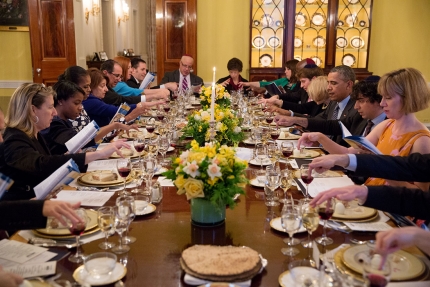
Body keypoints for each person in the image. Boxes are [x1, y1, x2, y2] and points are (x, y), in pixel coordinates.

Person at [299, 68, 430, 191]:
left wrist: (379, 165)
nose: (382, 103)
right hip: (370, 193)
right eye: (382, 97)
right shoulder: (386, 125)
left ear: (409, 98)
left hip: (391, 206)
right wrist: (321, 138)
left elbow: (420, 194)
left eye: (388, 98)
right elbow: (351, 152)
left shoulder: (421, 140)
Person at [0, 83, 130, 201]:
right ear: (33, 110)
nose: (55, 113)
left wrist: (69, 156)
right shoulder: (14, 138)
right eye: (50, 107)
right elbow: (41, 165)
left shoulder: (35, 135)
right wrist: (98, 154)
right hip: (23, 213)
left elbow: (47, 161)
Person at [43, 81, 138, 154]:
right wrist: (115, 125)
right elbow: (81, 141)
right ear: (60, 101)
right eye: (76, 103)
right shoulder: (55, 123)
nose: (81, 107)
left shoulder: (65, 121)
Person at [275, 65, 359, 145]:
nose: (328, 87)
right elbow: (319, 120)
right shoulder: (334, 102)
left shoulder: (357, 107)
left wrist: (294, 119)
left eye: (333, 83)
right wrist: (293, 120)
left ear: (349, 85)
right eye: (328, 83)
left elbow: (334, 126)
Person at [83, 68, 162, 127]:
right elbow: (116, 110)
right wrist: (139, 105)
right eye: (102, 86)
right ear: (91, 86)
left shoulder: (95, 99)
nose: (106, 89)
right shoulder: (91, 101)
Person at [100, 60, 168, 106]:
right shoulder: (120, 85)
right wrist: (156, 94)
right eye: (129, 67)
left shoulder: (115, 85)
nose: (132, 70)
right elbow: (134, 94)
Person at [56, 66, 92, 132]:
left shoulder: (80, 104)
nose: (89, 89)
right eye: (85, 86)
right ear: (73, 86)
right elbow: (82, 138)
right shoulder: (68, 113)